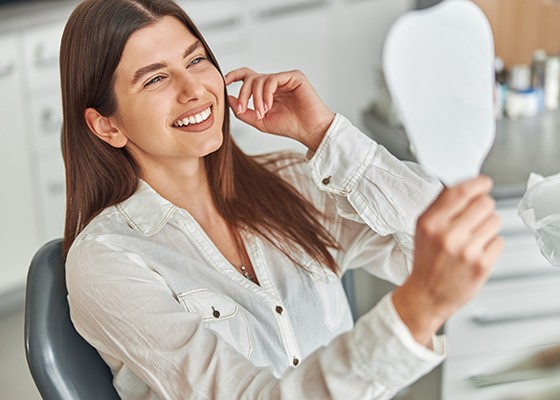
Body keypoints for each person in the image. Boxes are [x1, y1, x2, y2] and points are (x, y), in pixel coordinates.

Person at [60, 0, 503, 399]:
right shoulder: (107, 261)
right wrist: (414, 313)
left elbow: (436, 243)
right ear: (106, 126)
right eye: (155, 78)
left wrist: (324, 133)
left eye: (196, 59)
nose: (193, 89)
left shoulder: (289, 183)